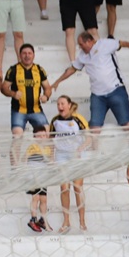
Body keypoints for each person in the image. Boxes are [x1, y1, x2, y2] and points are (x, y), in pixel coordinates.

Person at [49, 31, 129, 133]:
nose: (80, 47)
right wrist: (57, 81)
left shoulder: (105, 44)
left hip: (115, 90)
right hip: (97, 95)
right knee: (94, 128)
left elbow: (121, 43)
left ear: (89, 41)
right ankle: (94, 144)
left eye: (81, 44)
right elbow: (72, 69)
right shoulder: (82, 55)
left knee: (127, 125)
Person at [1, 44, 51, 165]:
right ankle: (15, 168)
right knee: (17, 137)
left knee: (47, 133)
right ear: (20, 55)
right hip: (19, 110)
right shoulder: (13, 70)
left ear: (33, 55)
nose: (27, 56)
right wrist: (13, 93)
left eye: (29, 53)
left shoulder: (39, 70)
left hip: (36, 109)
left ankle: (48, 164)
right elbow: (3, 88)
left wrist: (46, 96)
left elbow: (48, 88)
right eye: (24, 53)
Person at [50, 96, 90, 234]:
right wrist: (51, 157)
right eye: (58, 104)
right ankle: (66, 222)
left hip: (76, 156)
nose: (60, 106)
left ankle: (82, 222)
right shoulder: (55, 121)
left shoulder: (78, 119)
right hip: (61, 156)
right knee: (64, 188)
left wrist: (80, 148)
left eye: (62, 103)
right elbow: (50, 140)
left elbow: (89, 137)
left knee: (77, 188)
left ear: (69, 105)